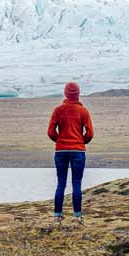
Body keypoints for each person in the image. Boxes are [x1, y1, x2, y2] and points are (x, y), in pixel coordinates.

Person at [47, 81, 93, 221]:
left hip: (61, 151)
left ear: (65, 93)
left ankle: (57, 216)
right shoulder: (83, 111)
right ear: (78, 94)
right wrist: (80, 141)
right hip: (78, 151)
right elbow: (90, 133)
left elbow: (50, 132)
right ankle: (78, 216)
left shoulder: (58, 110)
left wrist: (60, 140)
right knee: (76, 183)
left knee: (61, 183)